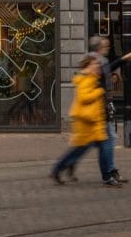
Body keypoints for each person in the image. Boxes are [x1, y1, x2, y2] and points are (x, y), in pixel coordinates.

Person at [51, 55, 120, 187]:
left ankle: (107, 177)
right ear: (87, 67)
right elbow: (84, 98)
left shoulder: (92, 79)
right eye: (94, 66)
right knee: (78, 151)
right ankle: (57, 169)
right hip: (86, 123)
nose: (96, 68)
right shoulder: (85, 79)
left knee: (101, 149)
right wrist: (99, 91)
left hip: (94, 123)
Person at [86, 35, 131, 182]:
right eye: (105, 46)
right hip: (100, 106)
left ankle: (110, 171)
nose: (107, 48)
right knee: (106, 140)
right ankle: (108, 173)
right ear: (98, 48)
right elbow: (105, 71)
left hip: (102, 105)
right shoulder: (95, 61)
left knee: (107, 140)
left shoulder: (96, 60)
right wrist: (124, 59)